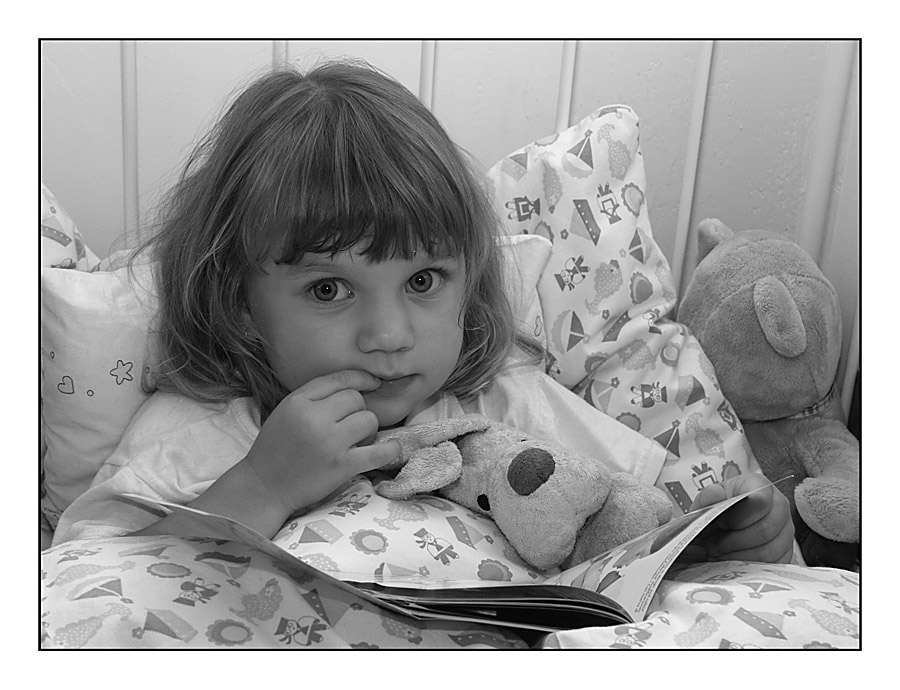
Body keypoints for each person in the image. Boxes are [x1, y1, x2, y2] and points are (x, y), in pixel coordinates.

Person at [52, 61, 793, 564]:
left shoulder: (505, 403)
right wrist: (263, 486)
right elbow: (92, 582)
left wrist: (720, 542)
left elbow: (637, 529)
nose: (388, 335)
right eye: (329, 290)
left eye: (424, 280)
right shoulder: (204, 430)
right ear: (238, 303)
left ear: (468, 284)